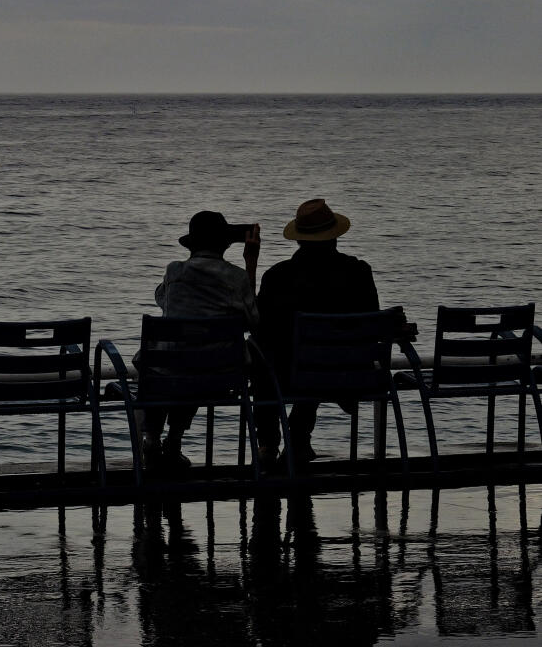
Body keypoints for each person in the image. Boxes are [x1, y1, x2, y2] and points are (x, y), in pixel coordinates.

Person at [255, 197, 382, 467]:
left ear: (299, 239)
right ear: (335, 237)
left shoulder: (278, 276)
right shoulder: (358, 272)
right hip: (349, 375)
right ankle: (299, 436)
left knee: (263, 352)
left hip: (291, 376)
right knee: (315, 356)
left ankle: (267, 442)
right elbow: (372, 325)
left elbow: (261, 327)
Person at [148, 210, 260, 470]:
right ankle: (173, 440)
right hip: (219, 375)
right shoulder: (236, 277)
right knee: (197, 361)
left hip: (172, 371)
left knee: (163, 359)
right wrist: (251, 264)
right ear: (225, 244)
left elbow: (161, 299)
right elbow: (253, 321)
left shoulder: (175, 271)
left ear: (192, 245)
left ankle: (151, 437)